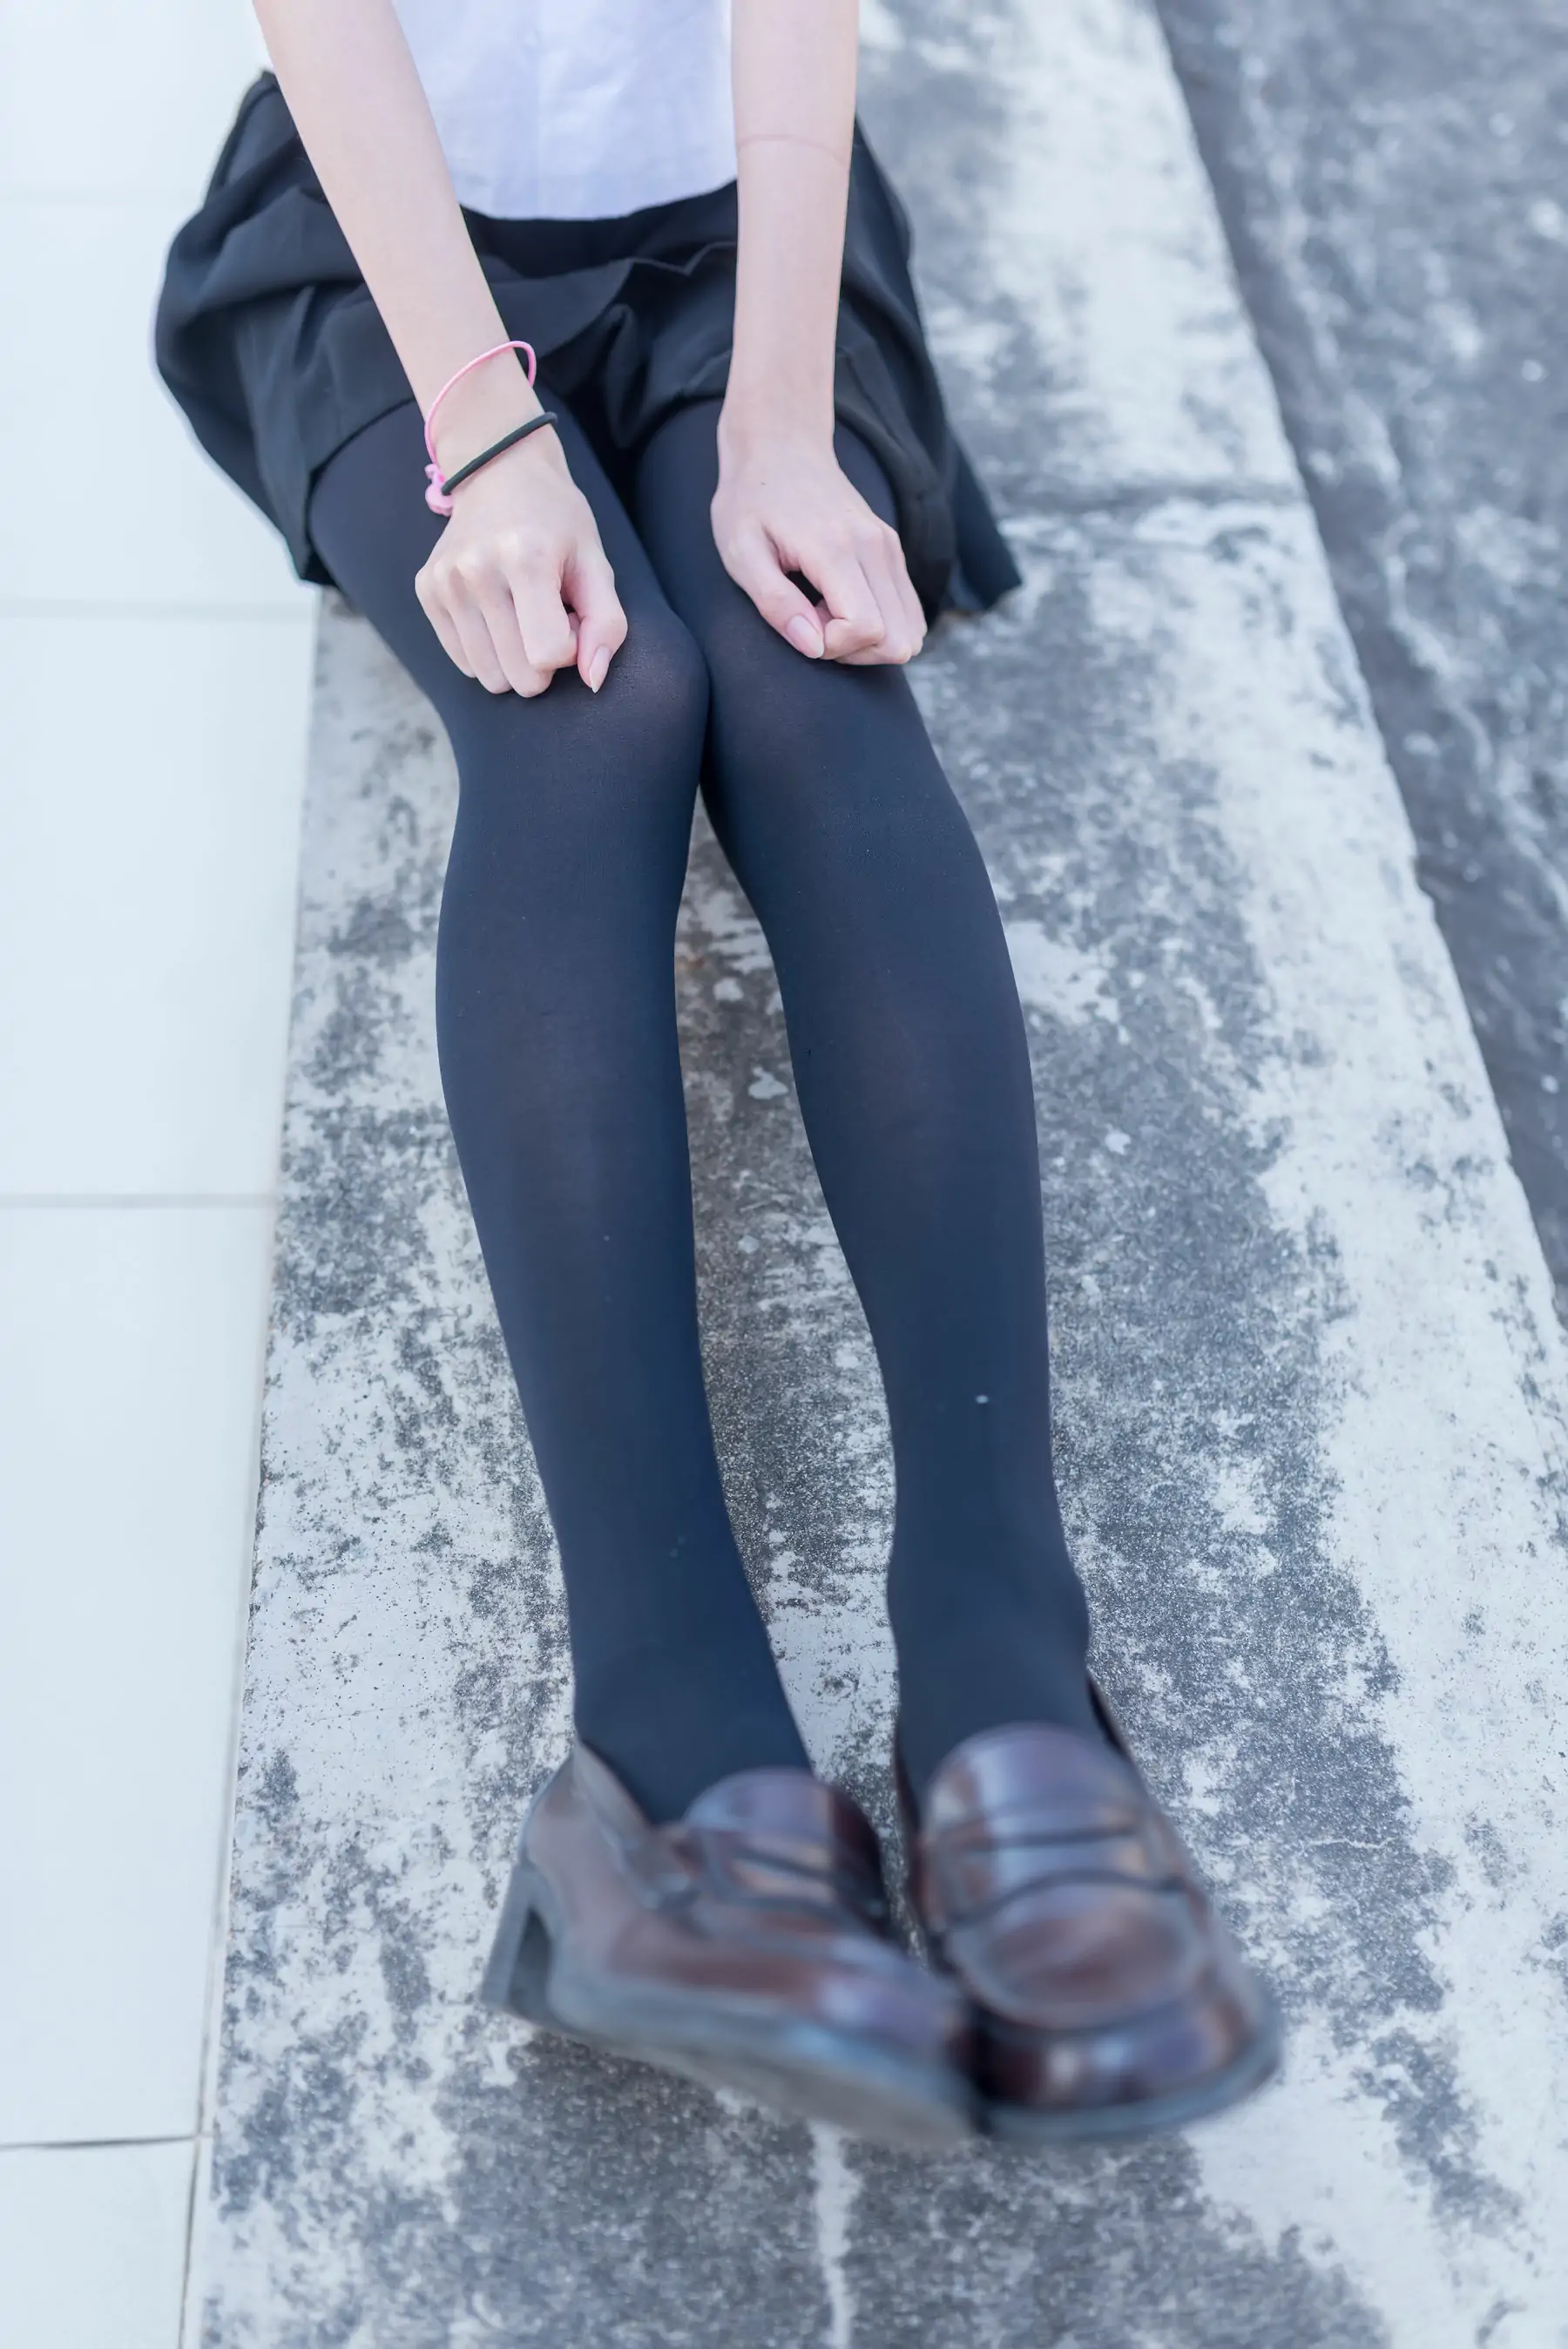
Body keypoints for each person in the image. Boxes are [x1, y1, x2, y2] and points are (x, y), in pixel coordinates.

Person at [158, 0, 1277, 2147]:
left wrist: (781, 430)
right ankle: (667, 1753)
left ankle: (1004, 1673)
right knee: (595, 712)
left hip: (750, 238)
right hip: (385, 245)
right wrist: (489, 442)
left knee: (799, 683)